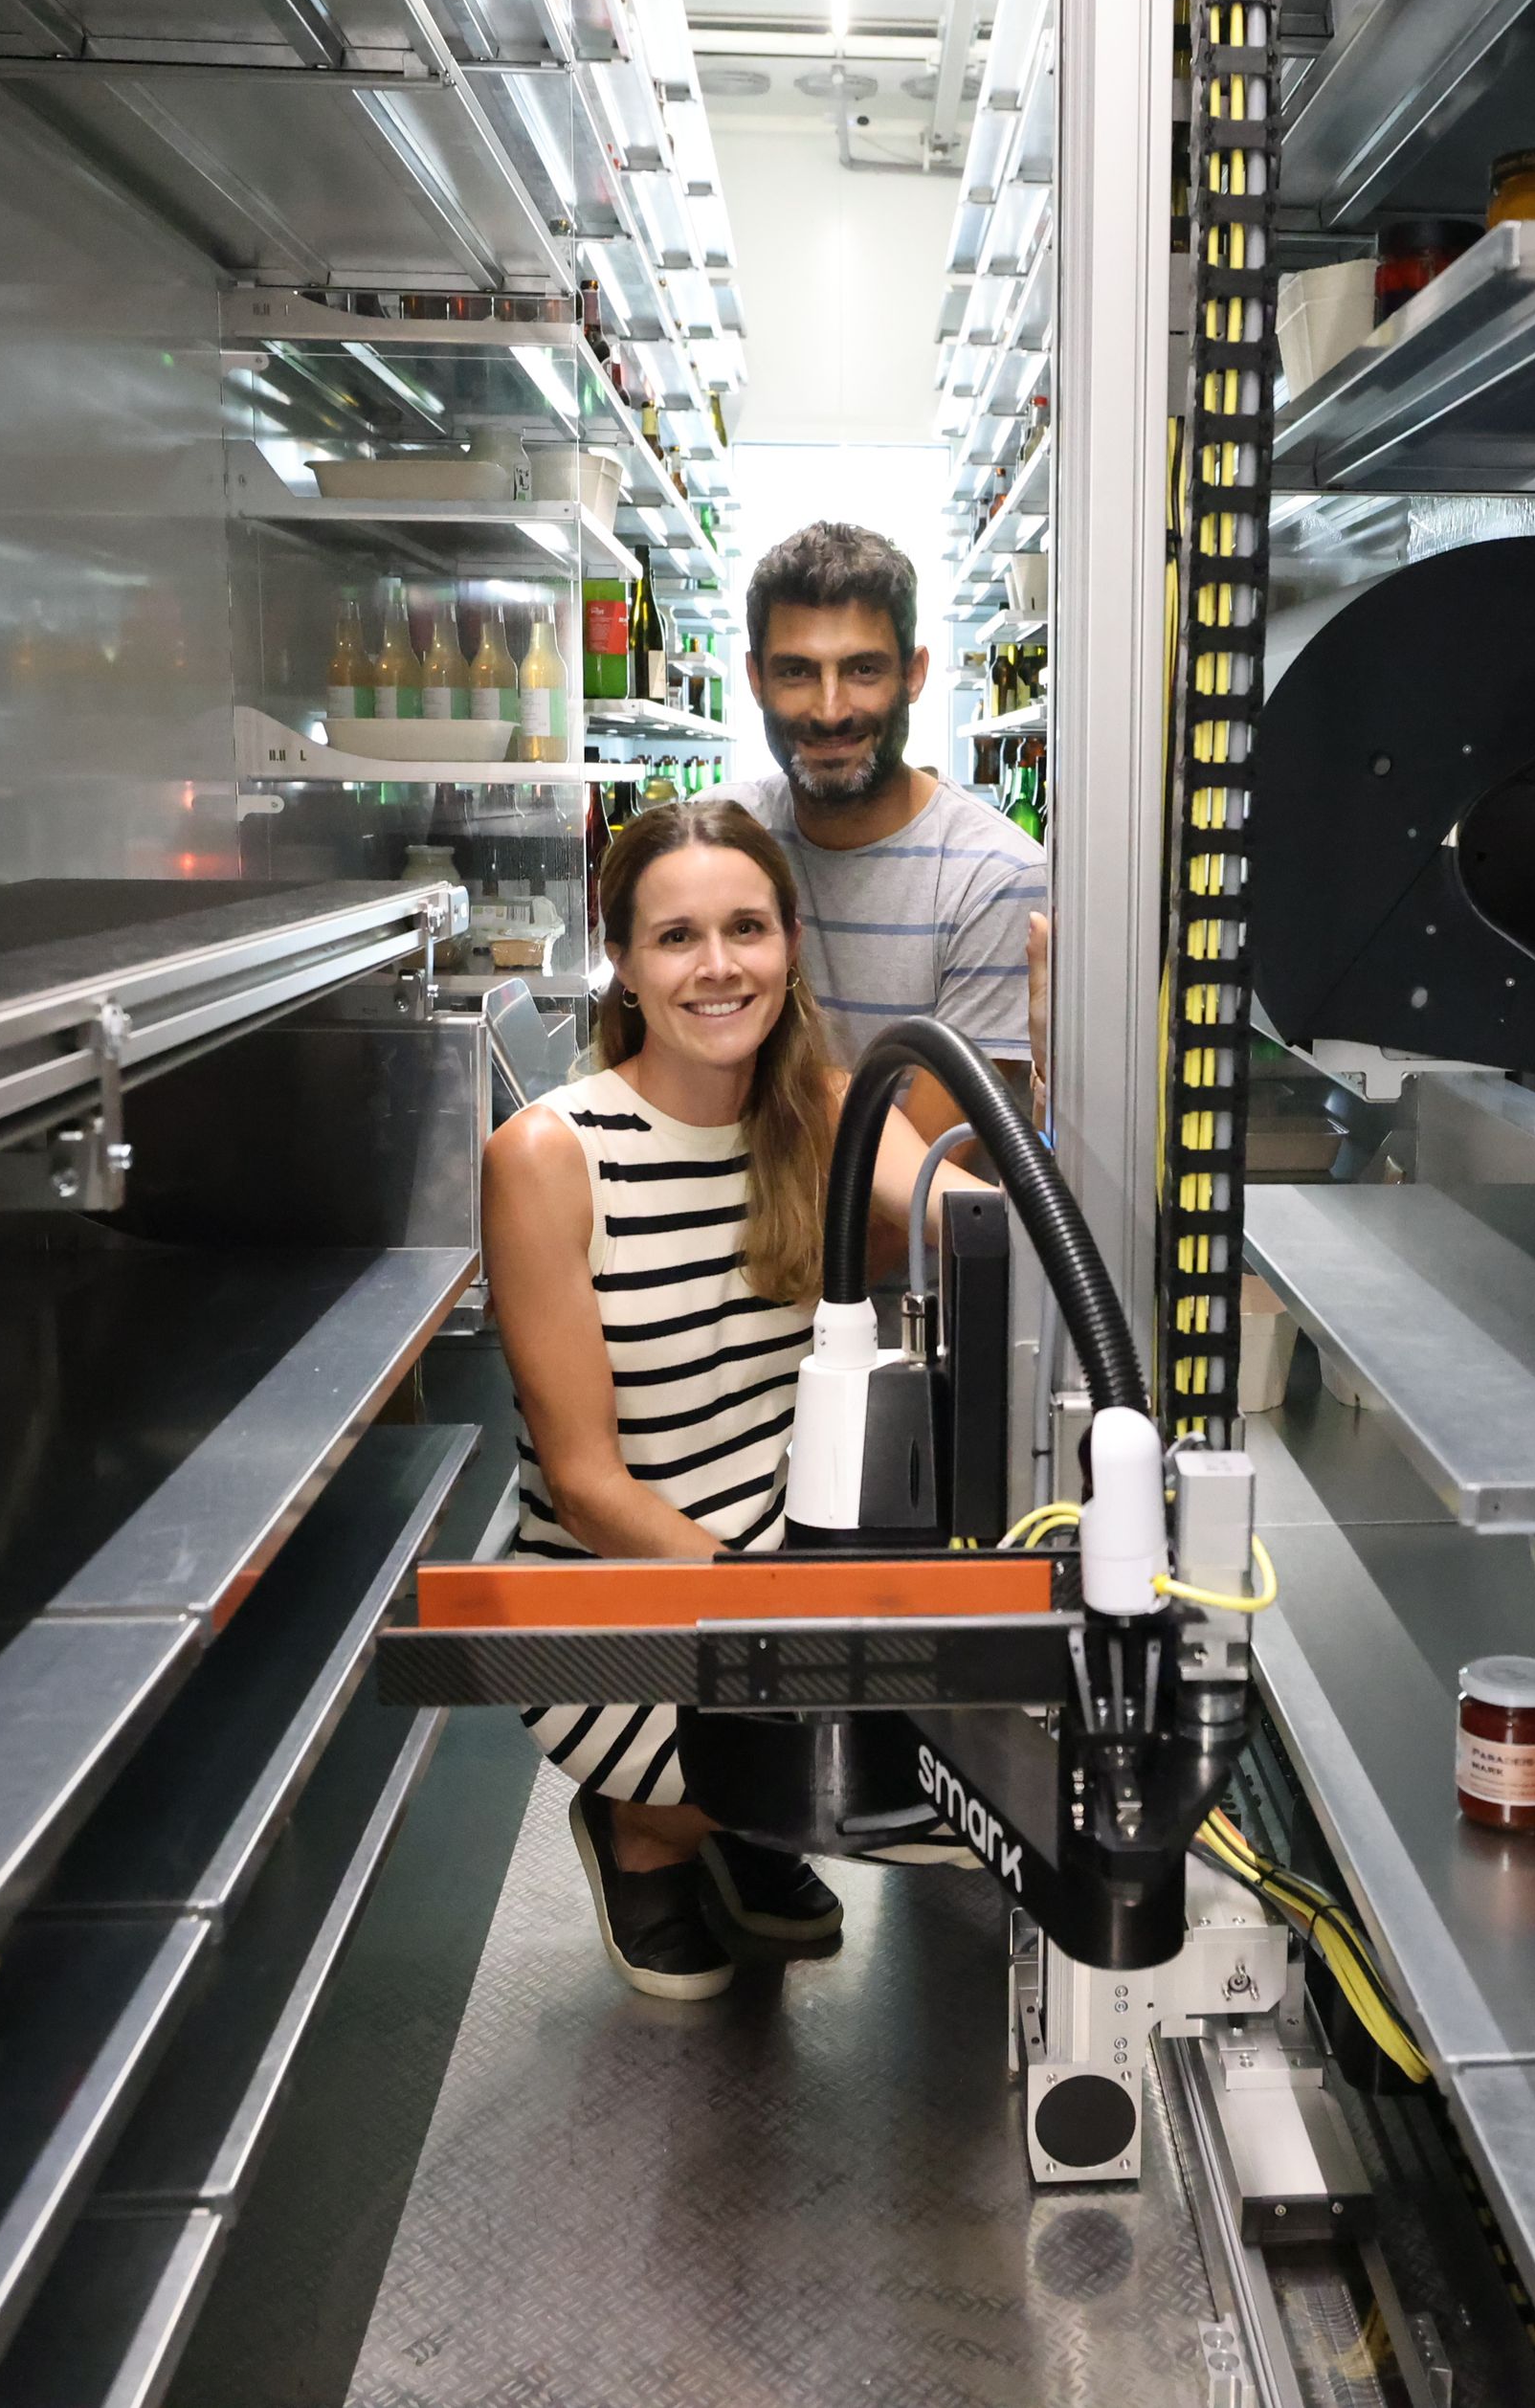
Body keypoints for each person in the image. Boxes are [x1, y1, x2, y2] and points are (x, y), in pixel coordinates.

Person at [481, 795, 978, 2000]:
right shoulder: (552, 1155)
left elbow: (997, 1236)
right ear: (622, 961)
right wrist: (785, 1637)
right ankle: (643, 1829)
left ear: (790, 942)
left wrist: (1068, 1045)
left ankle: (746, 1815)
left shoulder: (826, 1112)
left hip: (781, 1545)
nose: (718, 967)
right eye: (675, 937)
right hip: (615, 1585)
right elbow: (590, 1488)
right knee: (860, 1757)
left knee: (941, 1782)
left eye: (747, 928)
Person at [711, 522, 1048, 1120]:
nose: (830, 709)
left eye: (863, 670)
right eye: (796, 671)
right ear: (756, 679)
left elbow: (919, 1189)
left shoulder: (995, 878)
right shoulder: (721, 838)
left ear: (913, 675)